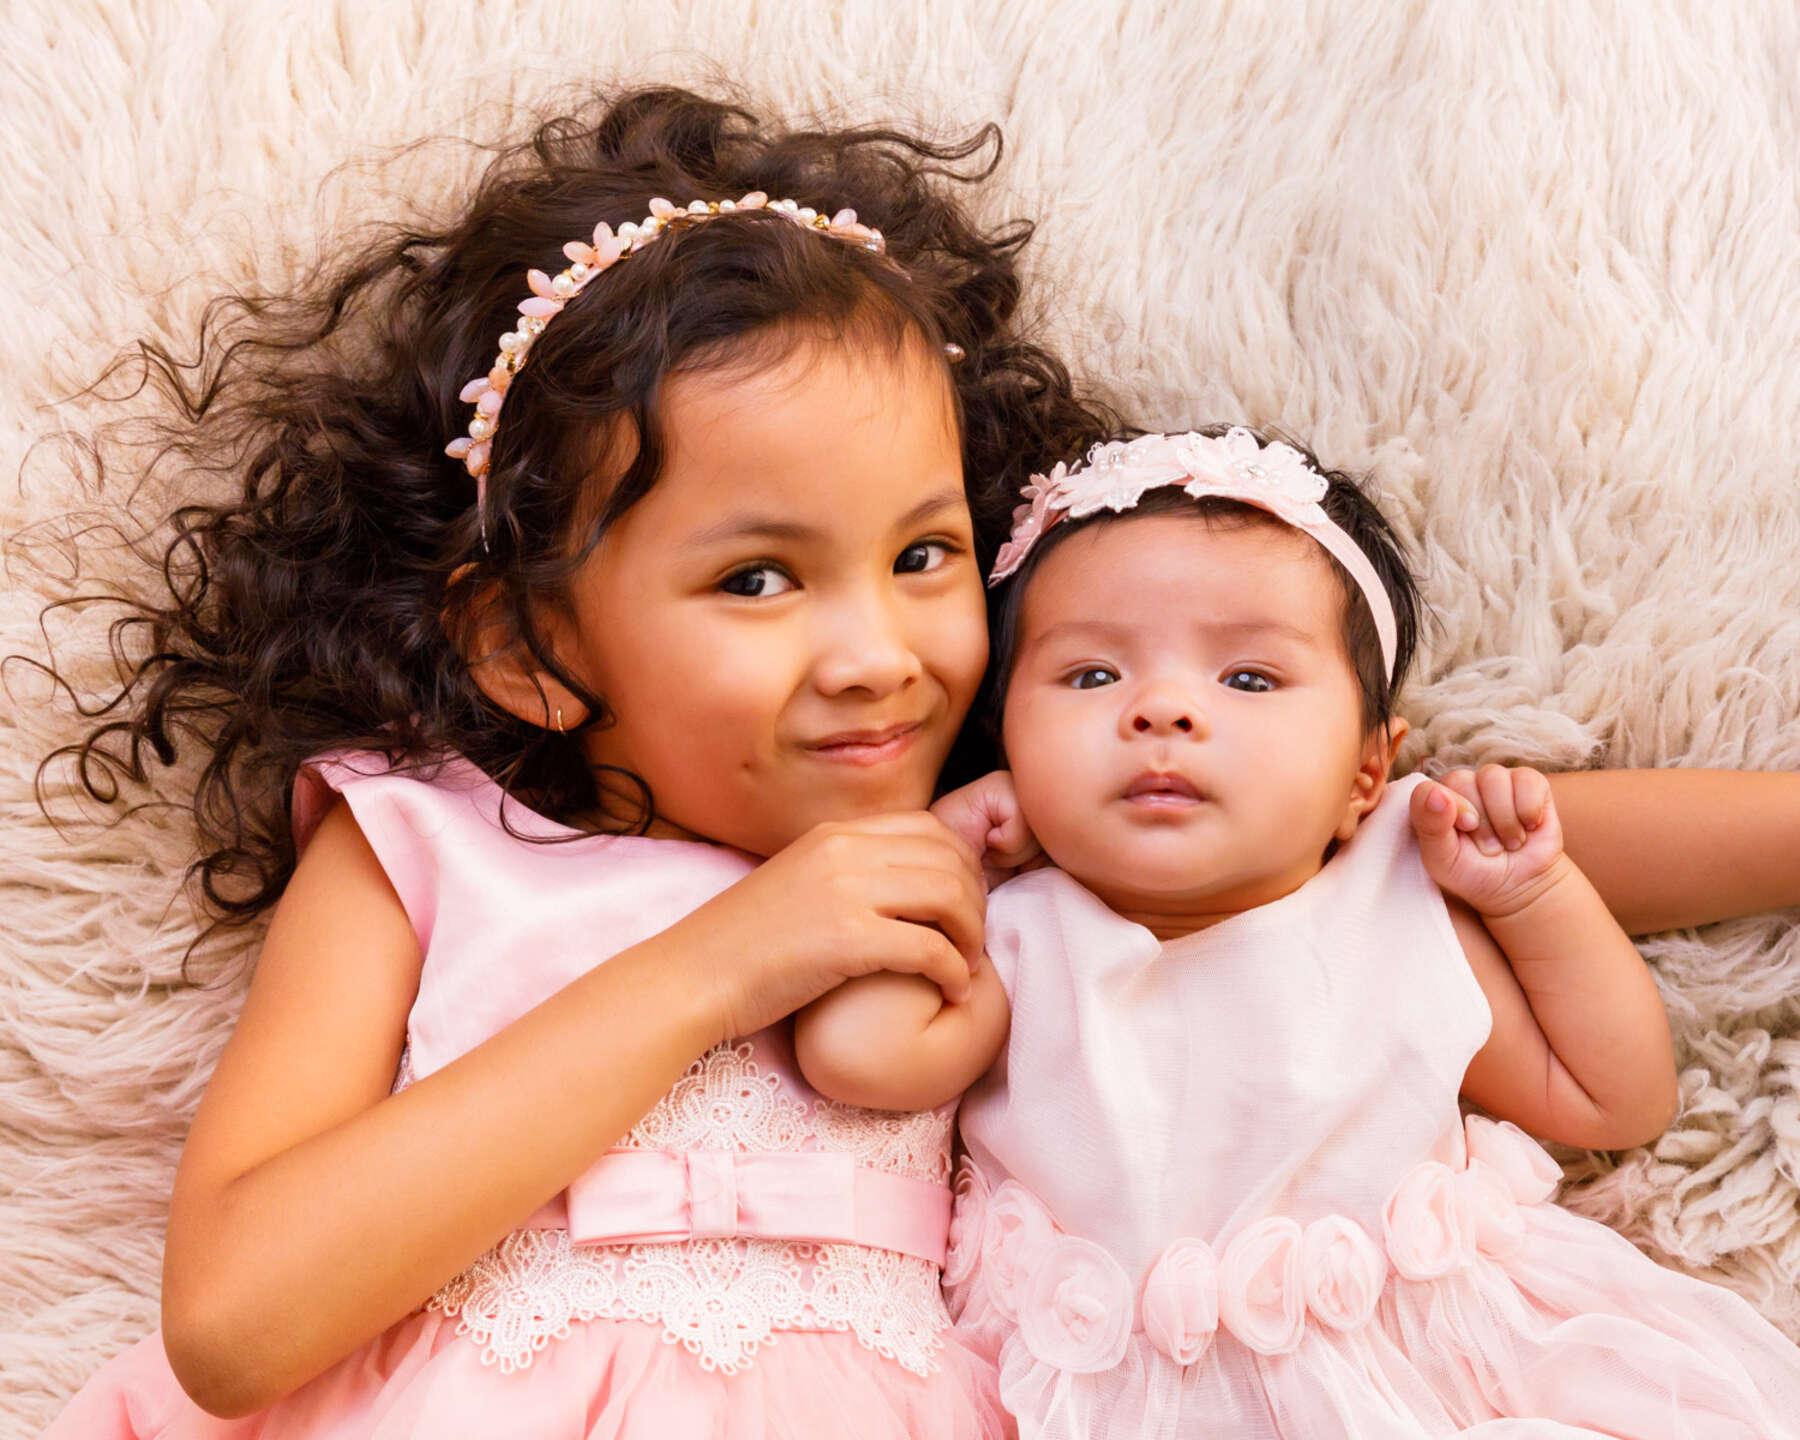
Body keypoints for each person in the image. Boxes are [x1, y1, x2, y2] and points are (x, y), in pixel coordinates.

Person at [29, 84, 1800, 1439]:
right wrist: (722, 963)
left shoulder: (997, 810)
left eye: (927, 553)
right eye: (755, 578)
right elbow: (240, 1317)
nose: (878, 649)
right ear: (531, 645)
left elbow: (1448, 838)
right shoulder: (425, 846)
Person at [794, 427, 1800, 1436]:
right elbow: (855, 1053)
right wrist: (943, 852)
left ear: (1368, 774)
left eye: (1250, 680)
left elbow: (1613, 1100)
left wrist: (1535, 898)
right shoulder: (1016, 936)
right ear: (1006, 737)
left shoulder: (1389, 891)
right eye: (1093, 677)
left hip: (1423, 1385)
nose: (1163, 709)